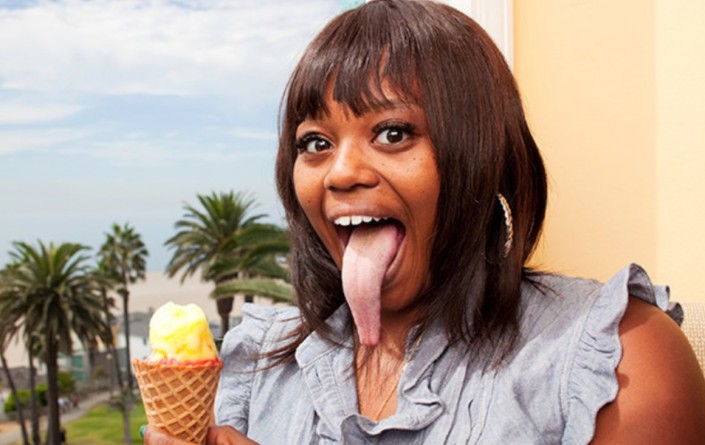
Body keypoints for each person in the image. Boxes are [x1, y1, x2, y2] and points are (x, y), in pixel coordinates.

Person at [143, 1, 705, 443]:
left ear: (483, 154)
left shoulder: (621, 359)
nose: (340, 172)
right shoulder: (257, 366)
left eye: (392, 133)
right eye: (314, 143)